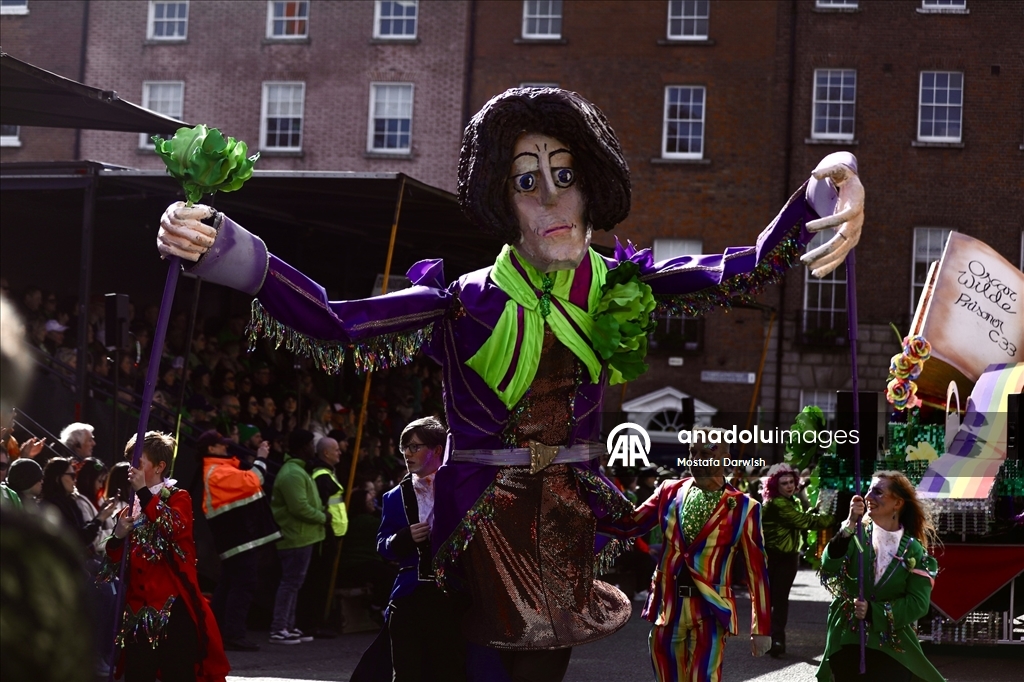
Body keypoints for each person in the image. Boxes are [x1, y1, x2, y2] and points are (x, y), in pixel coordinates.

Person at [157, 87, 863, 679]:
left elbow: (741, 267)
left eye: (566, 175)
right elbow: (338, 320)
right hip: (477, 527)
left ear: (592, 184)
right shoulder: (465, 299)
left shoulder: (618, 286)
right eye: (528, 180)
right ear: (502, 197)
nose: (552, 198)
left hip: (565, 526)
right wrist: (220, 242)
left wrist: (826, 180)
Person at [605, 427, 772, 682]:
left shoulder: (744, 507)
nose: (697, 459)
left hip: (711, 611)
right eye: (693, 452)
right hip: (668, 610)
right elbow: (629, 524)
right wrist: (590, 490)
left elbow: (757, 572)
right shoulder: (668, 491)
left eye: (706, 453)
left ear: (725, 459)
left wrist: (761, 628)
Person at [103, 431, 229, 682]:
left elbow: (171, 526)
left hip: (173, 608)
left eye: (138, 463)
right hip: (137, 612)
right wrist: (117, 537)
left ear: (160, 466)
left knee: (178, 674)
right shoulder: (129, 509)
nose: (131, 469)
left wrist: (143, 492)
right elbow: (114, 565)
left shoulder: (178, 497)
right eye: (130, 462)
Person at [817, 472, 944, 682]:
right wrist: (849, 524)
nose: (868, 496)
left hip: (891, 645)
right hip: (849, 639)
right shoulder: (855, 535)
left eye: (878, 492)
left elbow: (918, 604)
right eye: (868, 490)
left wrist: (873, 612)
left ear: (898, 503)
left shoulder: (914, 551)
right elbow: (829, 567)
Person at [377, 417, 467, 681]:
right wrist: (403, 538)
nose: (407, 453)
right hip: (408, 595)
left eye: (415, 446)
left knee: (449, 670)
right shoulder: (394, 496)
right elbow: (383, 545)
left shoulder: (460, 488)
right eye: (404, 447)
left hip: (451, 596)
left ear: (437, 450)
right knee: (406, 672)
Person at [198, 429, 281, 652]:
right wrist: (262, 457)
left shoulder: (221, 469)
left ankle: (216, 632)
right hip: (236, 538)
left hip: (236, 538)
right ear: (211, 449)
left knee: (229, 583)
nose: (226, 447)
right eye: (221, 444)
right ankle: (233, 633)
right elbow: (255, 480)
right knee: (243, 583)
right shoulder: (216, 471)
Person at [761, 462, 834, 657]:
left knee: (777, 599)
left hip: (788, 556)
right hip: (773, 556)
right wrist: (830, 514)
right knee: (772, 599)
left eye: (791, 482)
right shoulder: (778, 503)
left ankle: (774, 639)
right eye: (784, 483)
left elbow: (800, 519)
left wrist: (814, 510)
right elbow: (806, 522)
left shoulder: (791, 500)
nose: (789, 486)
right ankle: (773, 639)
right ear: (775, 485)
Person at [268, 428, 325, 644]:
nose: (314, 448)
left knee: (294, 584)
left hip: (302, 536)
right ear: (303, 447)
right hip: (296, 537)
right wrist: (323, 517)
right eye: (311, 444)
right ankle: (279, 628)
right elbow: (299, 507)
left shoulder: (298, 470)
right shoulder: (292, 473)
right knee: (290, 583)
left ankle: (287, 626)